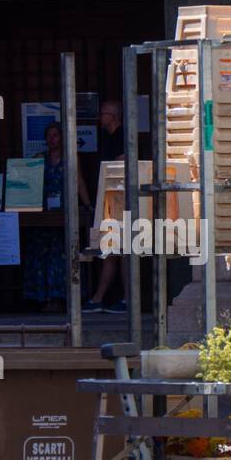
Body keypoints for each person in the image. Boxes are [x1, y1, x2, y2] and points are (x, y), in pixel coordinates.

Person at [24, 122, 91, 312]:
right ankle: (43, 298)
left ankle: (61, 299)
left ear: (63, 138)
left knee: (61, 255)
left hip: (64, 213)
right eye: (48, 136)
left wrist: (87, 205)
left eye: (55, 135)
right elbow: (28, 182)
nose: (51, 139)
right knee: (40, 255)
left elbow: (79, 181)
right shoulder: (39, 159)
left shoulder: (70, 158)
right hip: (42, 215)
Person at [84, 100, 127, 314]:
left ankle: (118, 299)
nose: (100, 117)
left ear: (114, 116)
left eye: (103, 113)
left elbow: (121, 164)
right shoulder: (109, 137)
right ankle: (100, 298)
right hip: (111, 200)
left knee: (121, 249)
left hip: (118, 200)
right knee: (112, 249)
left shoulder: (120, 137)